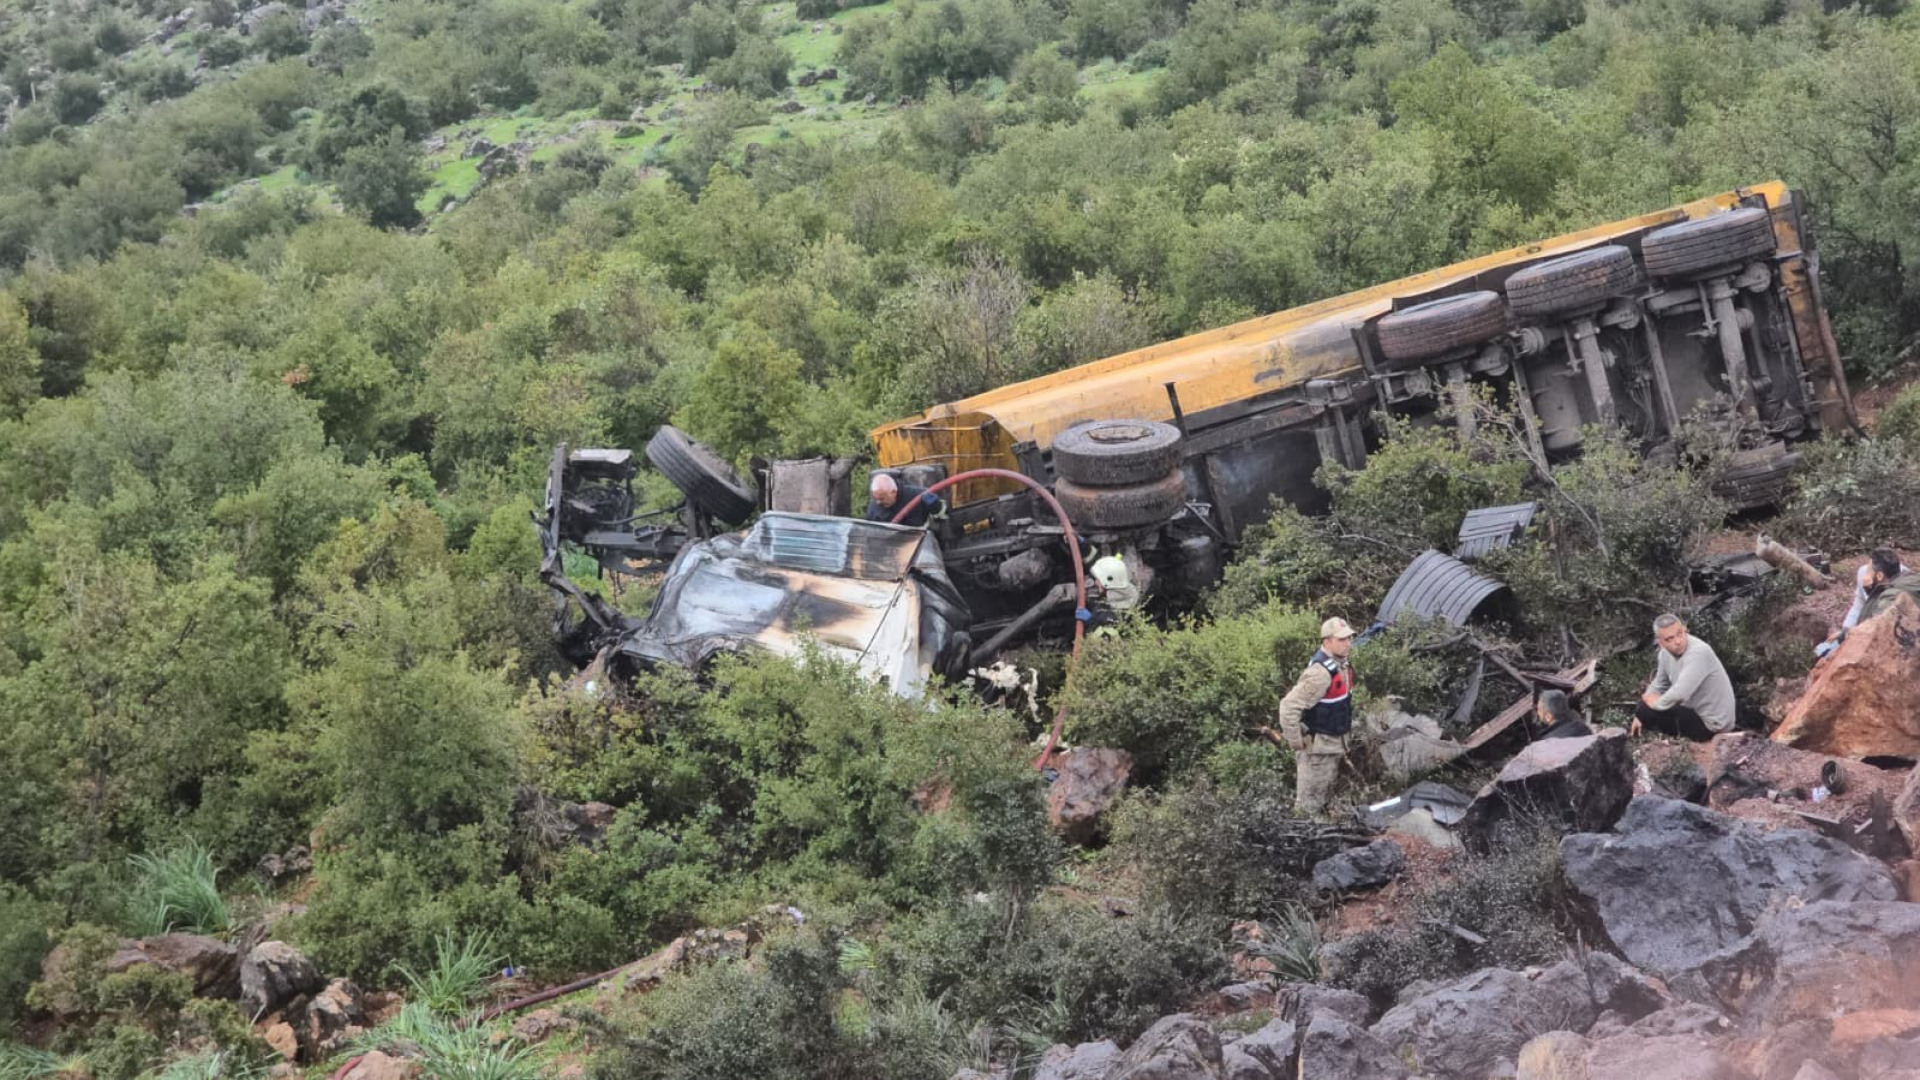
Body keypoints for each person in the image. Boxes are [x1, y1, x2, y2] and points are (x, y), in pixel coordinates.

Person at [1274, 617, 1358, 816]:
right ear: (1327, 641)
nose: (1348, 643)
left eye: (1349, 638)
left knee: (1325, 804)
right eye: (1341, 639)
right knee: (1307, 810)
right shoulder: (1320, 673)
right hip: (1317, 754)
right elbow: (1288, 707)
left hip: (1333, 748)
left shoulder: (1342, 665)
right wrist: (1296, 742)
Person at [1631, 614, 1736, 741]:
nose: (1678, 641)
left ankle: (1695, 744)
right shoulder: (1664, 655)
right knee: (1642, 709)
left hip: (1713, 725)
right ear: (1660, 642)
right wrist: (1640, 713)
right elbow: (1659, 685)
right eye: (1669, 639)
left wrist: (1653, 706)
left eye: (1680, 633)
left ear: (1684, 630)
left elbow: (1680, 693)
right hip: (1694, 713)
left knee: (1646, 711)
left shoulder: (1699, 652)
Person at [1819, 549, 1910, 657]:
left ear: (1880, 576)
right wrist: (1845, 630)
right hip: (1866, 629)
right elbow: (1859, 605)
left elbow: (1880, 623)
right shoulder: (1863, 572)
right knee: (1824, 651)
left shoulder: (1902, 588)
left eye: (1869, 570)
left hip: (1894, 638)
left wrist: (1848, 634)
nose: (1865, 573)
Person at [1853, 547, 1920, 626]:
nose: (1865, 577)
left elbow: (1877, 629)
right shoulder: (1909, 580)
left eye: (1868, 571)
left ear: (1880, 576)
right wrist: (1871, 591)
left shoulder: (1890, 598)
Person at [865, 472, 944, 528]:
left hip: (920, 541)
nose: (878, 503)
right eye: (875, 498)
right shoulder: (873, 507)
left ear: (893, 492)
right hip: (888, 543)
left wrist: (936, 506)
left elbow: (943, 517)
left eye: (882, 498)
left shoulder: (917, 496)